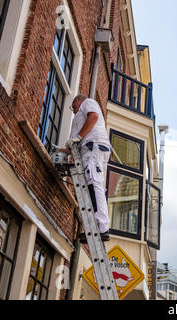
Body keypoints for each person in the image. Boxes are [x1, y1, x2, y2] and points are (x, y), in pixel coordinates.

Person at [64, 95, 112, 243]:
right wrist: (61, 150)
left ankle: (102, 227)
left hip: (93, 148)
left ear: (78, 101)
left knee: (94, 182)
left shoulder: (88, 103)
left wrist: (78, 137)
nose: (74, 111)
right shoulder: (80, 119)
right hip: (89, 149)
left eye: (73, 107)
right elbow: (75, 143)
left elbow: (94, 116)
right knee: (92, 185)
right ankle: (95, 228)